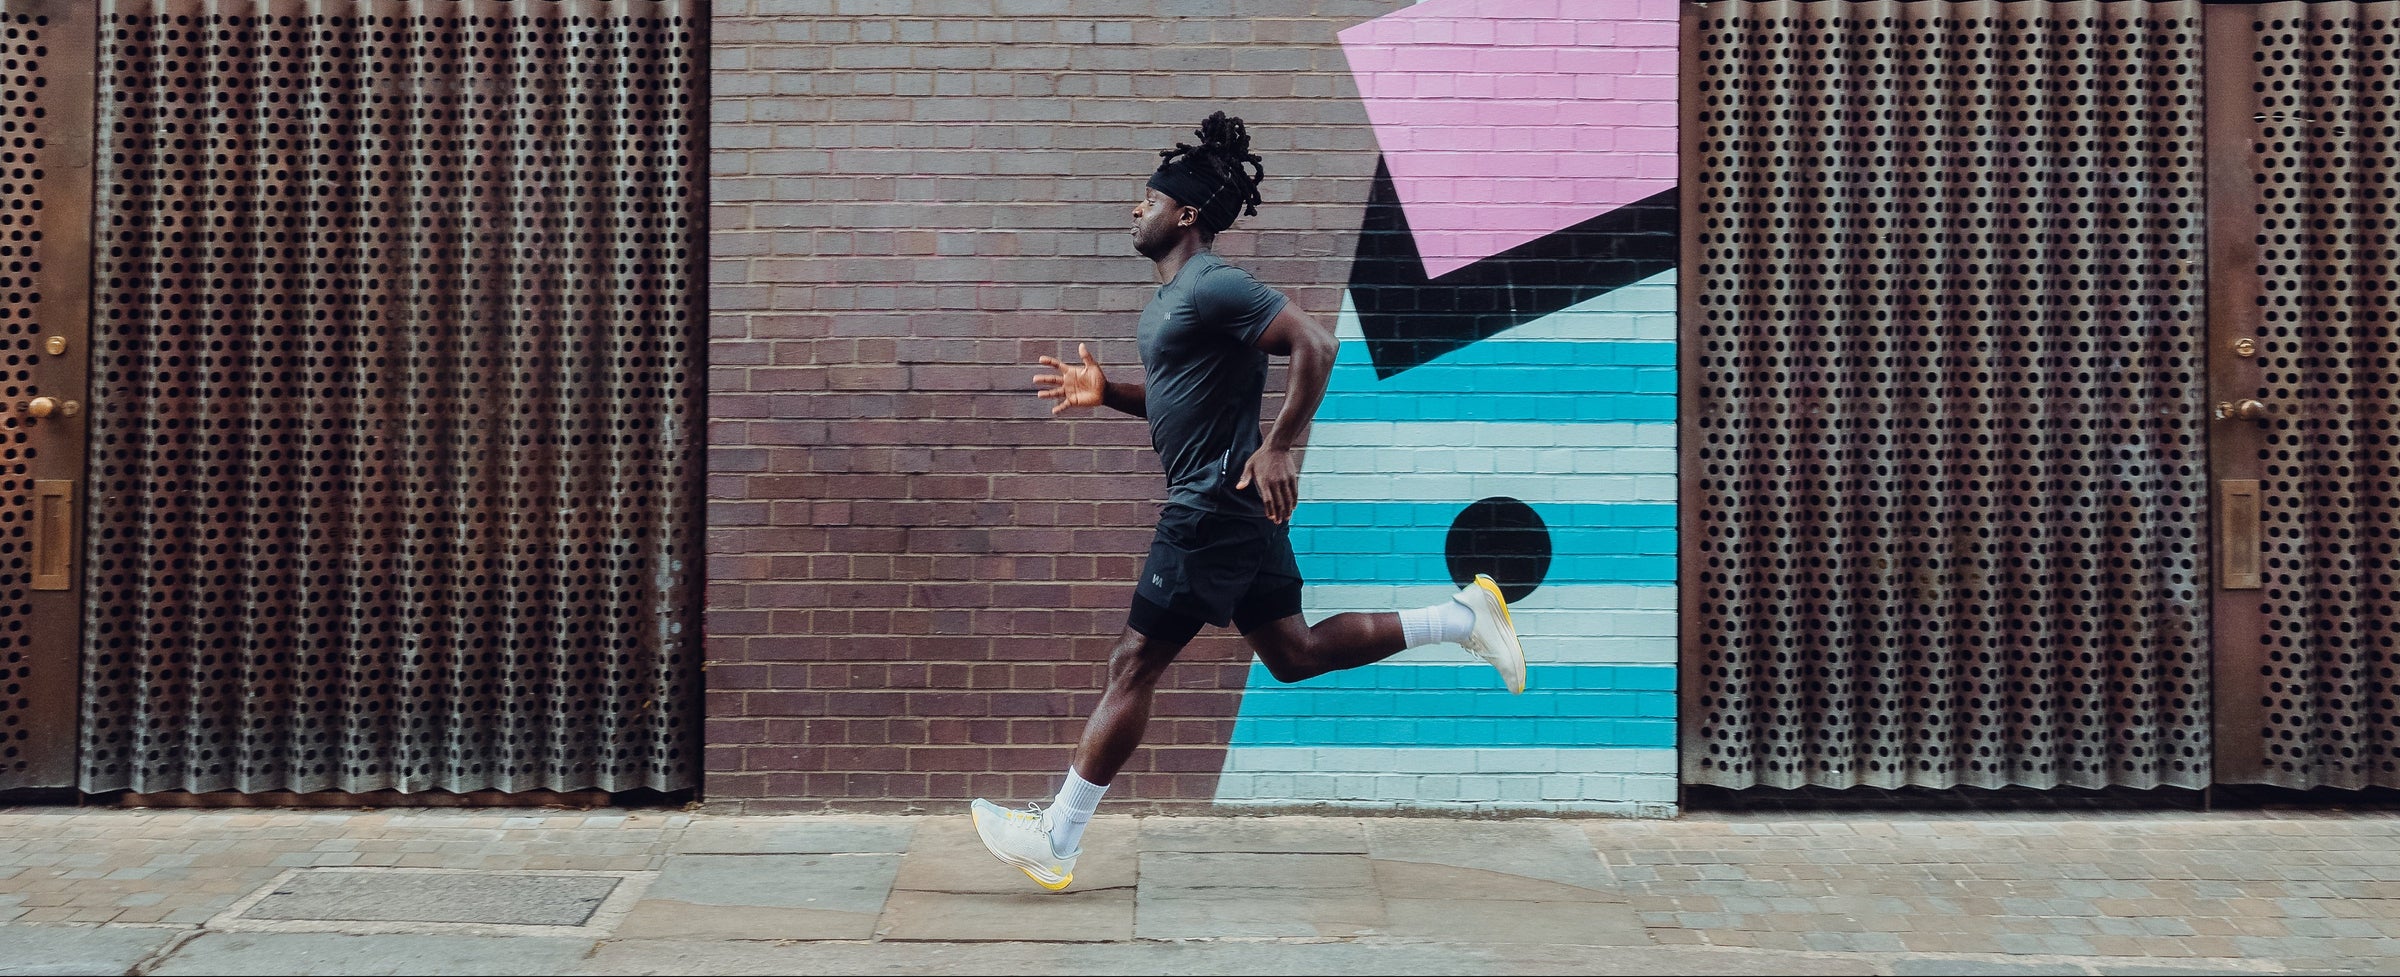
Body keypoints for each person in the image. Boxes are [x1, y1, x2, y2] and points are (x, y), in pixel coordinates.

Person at [970, 111, 1527, 892]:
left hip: (1208, 507)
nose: (1137, 209)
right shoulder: (1174, 302)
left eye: (1150, 199)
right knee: (1293, 654)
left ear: (1186, 214)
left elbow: (1318, 342)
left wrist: (1281, 443)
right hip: (1226, 506)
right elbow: (1182, 398)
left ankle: (1057, 836)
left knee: (1133, 661)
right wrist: (1110, 393)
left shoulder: (1213, 283)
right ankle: (1465, 616)